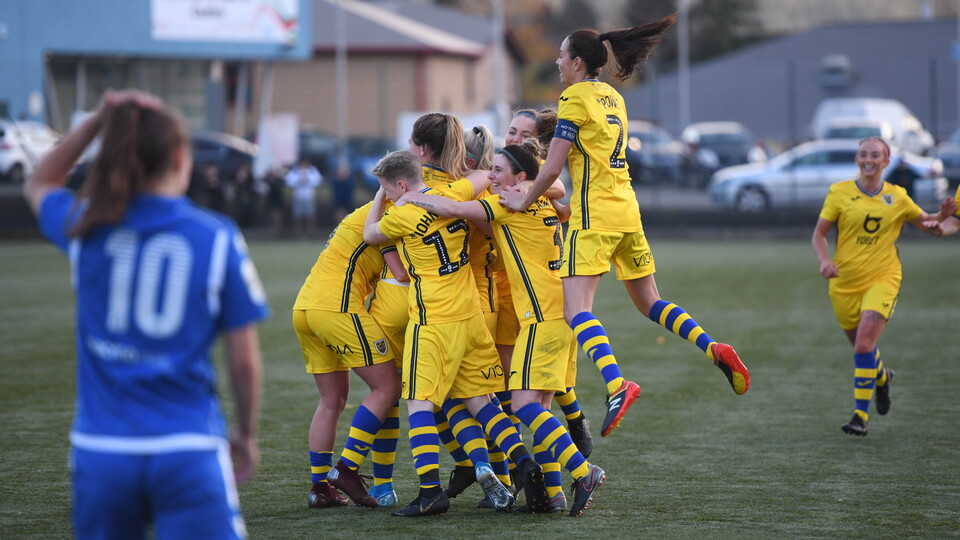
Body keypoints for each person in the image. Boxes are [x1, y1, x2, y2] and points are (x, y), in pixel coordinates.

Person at [23, 89, 268, 539]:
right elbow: (244, 359)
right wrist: (246, 433)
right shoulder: (215, 236)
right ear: (179, 157)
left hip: (102, 449)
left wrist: (98, 120)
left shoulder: (86, 226)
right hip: (187, 446)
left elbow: (40, 183)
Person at [499, 15, 750, 439]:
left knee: (575, 309)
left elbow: (554, 167)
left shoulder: (574, 98)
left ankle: (618, 385)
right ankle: (715, 348)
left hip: (595, 215)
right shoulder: (614, 97)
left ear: (578, 62)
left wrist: (524, 199)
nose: (558, 62)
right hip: (627, 211)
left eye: (561, 55)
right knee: (651, 302)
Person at [396, 139, 606, 517]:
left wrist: (413, 198)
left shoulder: (507, 202)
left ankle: (584, 471)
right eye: (489, 169)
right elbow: (560, 195)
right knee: (540, 406)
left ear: (520, 177)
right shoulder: (539, 200)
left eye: (498, 171)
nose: (491, 177)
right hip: (566, 314)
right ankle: (554, 493)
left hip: (540, 319)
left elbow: (453, 207)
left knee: (524, 405)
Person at [363, 149, 547, 517]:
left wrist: (380, 200)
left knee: (418, 404)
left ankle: (430, 492)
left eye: (387, 188)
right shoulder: (454, 197)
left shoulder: (401, 214)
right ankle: (523, 462)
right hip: (471, 316)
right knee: (481, 401)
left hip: (432, 321)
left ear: (400, 185)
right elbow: (478, 180)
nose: (386, 195)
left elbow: (370, 234)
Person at [812, 136, 955, 436]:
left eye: (875, 155)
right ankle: (882, 377)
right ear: (856, 159)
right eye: (863, 153)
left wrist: (941, 216)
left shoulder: (898, 196)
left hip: (883, 278)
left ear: (886, 162)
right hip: (844, 284)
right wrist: (824, 260)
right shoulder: (839, 193)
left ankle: (859, 418)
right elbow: (819, 235)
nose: (868, 159)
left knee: (864, 345)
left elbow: (928, 222)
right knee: (864, 350)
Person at [293, 199, 406, 509]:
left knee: (332, 400)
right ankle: (347, 469)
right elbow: (400, 270)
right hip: (337, 306)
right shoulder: (396, 207)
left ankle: (320, 489)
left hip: (305, 306)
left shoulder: (373, 205)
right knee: (388, 387)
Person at [285, 158, 323, 236]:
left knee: (310, 215)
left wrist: (307, 178)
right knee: (297, 215)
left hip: (309, 195)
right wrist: (299, 179)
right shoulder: (295, 170)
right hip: (298, 196)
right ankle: (298, 233)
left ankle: (310, 233)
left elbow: (318, 180)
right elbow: (288, 181)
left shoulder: (312, 170)